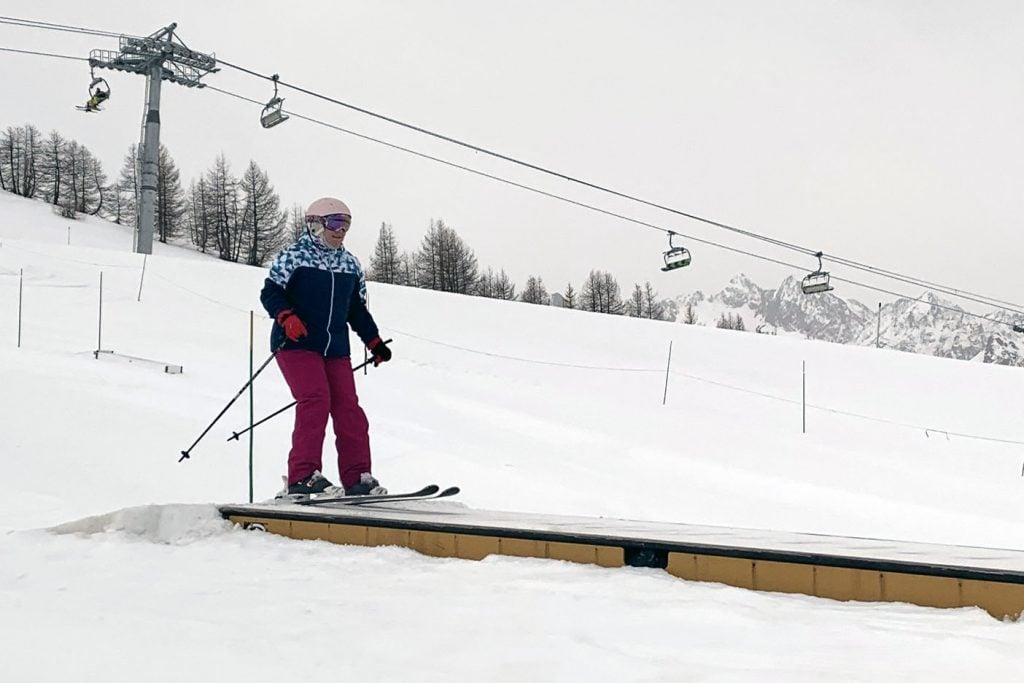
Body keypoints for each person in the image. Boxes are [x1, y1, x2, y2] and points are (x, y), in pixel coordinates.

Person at [260, 196, 393, 498]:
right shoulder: (294, 257)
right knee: (315, 400)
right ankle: (302, 476)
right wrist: (286, 317)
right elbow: (270, 292)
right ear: (315, 223)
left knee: (349, 408)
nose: (341, 230)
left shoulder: (350, 264)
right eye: (335, 222)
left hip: (335, 348)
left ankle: (358, 478)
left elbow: (355, 309)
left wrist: (373, 341)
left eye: (346, 223)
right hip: (296, 343)